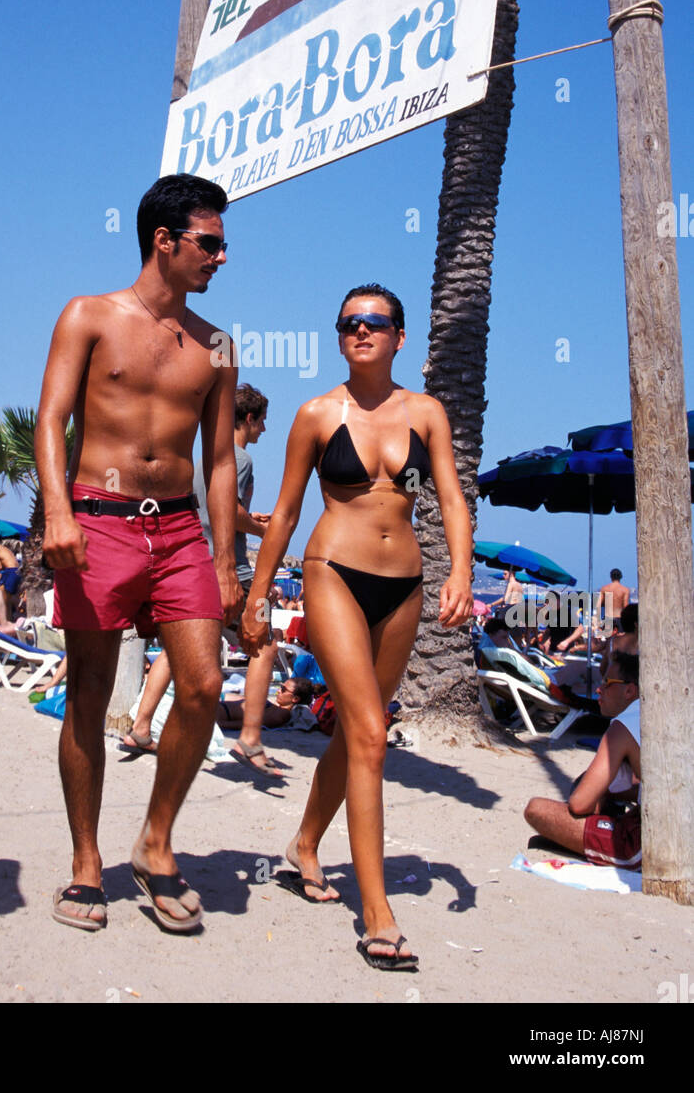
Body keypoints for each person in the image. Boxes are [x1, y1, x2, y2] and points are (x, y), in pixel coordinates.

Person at [240, 284, 473, 971]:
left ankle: (305, 844)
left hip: (404, 588)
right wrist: (257, 596)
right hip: (332, 572)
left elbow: (454, 498)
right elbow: (282, 513)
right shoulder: (316, 414)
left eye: (374, 322)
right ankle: (376, 911)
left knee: (356, 733)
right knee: (371, 732)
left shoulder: (426, 413)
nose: (360, 331)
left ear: (400, 336)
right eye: (348, 323)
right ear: (339, 335)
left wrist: (460, 571)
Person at [35, 176, 243, 934]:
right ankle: (86, 863)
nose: (222, 256)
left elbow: (221, 461)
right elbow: (52, 418)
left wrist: (226, 560)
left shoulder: (217, 344)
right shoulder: (89, 316)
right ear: (166, 240)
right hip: (97, 521)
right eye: (210, 242)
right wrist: (58, 512)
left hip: (181, 527)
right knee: (90, 694)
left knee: (202, 684)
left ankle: (155, 842)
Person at [123, 384, 280, 773]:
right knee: (264, 645)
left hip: (195, 563)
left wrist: (249, 519)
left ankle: (141, 726)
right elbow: (225, 509)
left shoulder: (203, 458)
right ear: (249, 419)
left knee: (179, 651)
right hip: (230, 568)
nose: (264, 430)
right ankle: (250, 737)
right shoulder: (240, 460)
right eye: (262, 422)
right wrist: (264, 530)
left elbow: (212, 510)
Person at [524, 651, 641, 868]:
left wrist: (601, 794)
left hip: (647, 844)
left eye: (608, 683)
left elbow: (580, 805)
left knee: (536, 810)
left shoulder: (622, 727)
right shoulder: (657, 712)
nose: (599, 689)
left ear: (630, 690)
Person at [217, 676, 315, 730]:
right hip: (220, 706)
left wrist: (220, 724)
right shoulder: (276, 708)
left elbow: (252, 724)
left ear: (295, 699)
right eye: (280, 687)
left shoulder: (282, 714)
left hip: (220, 713)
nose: (279, 691)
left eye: (283, 689)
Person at [598, 568, 631, 632]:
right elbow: (626, 607)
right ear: (621, 577)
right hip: (619, 619)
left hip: (608, 619)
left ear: (611, 577)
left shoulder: (604, 589)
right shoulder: (625, 590)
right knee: (620, 640)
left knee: (606, 640)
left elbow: (598, 605)